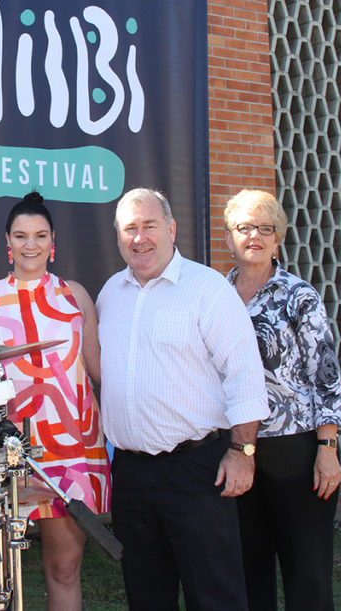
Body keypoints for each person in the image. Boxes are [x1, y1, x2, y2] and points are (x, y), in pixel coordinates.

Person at [96, 187, 269, 610]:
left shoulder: (207, 289)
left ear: (171, 230)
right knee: (146, 593)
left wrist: (242, 451)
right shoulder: (108, 295)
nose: (140, 238)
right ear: (117, 236)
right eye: (129, 228)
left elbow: (245, 374)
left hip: (197, 471)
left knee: (214, 595)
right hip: (133, 474)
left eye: (149, 226)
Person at [0, 192, 110, 611]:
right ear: (8, 241)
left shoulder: (75, 295)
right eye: (21, 236)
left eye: (40, 235)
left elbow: (98, 373)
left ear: (53, 240)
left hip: (73, 450)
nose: (31, 245)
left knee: (64, 570)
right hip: (4, 454)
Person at [224, 189, 341, 611]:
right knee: (247, 571)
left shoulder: (300, 296)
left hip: (295, 452)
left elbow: (326, 375)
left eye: (265, 228)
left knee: (307, 575)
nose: (254, 236)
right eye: (244, 228)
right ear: (229, 237)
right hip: (237, 450)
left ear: (278, 239)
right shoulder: (215, 296)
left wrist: (327, 448)